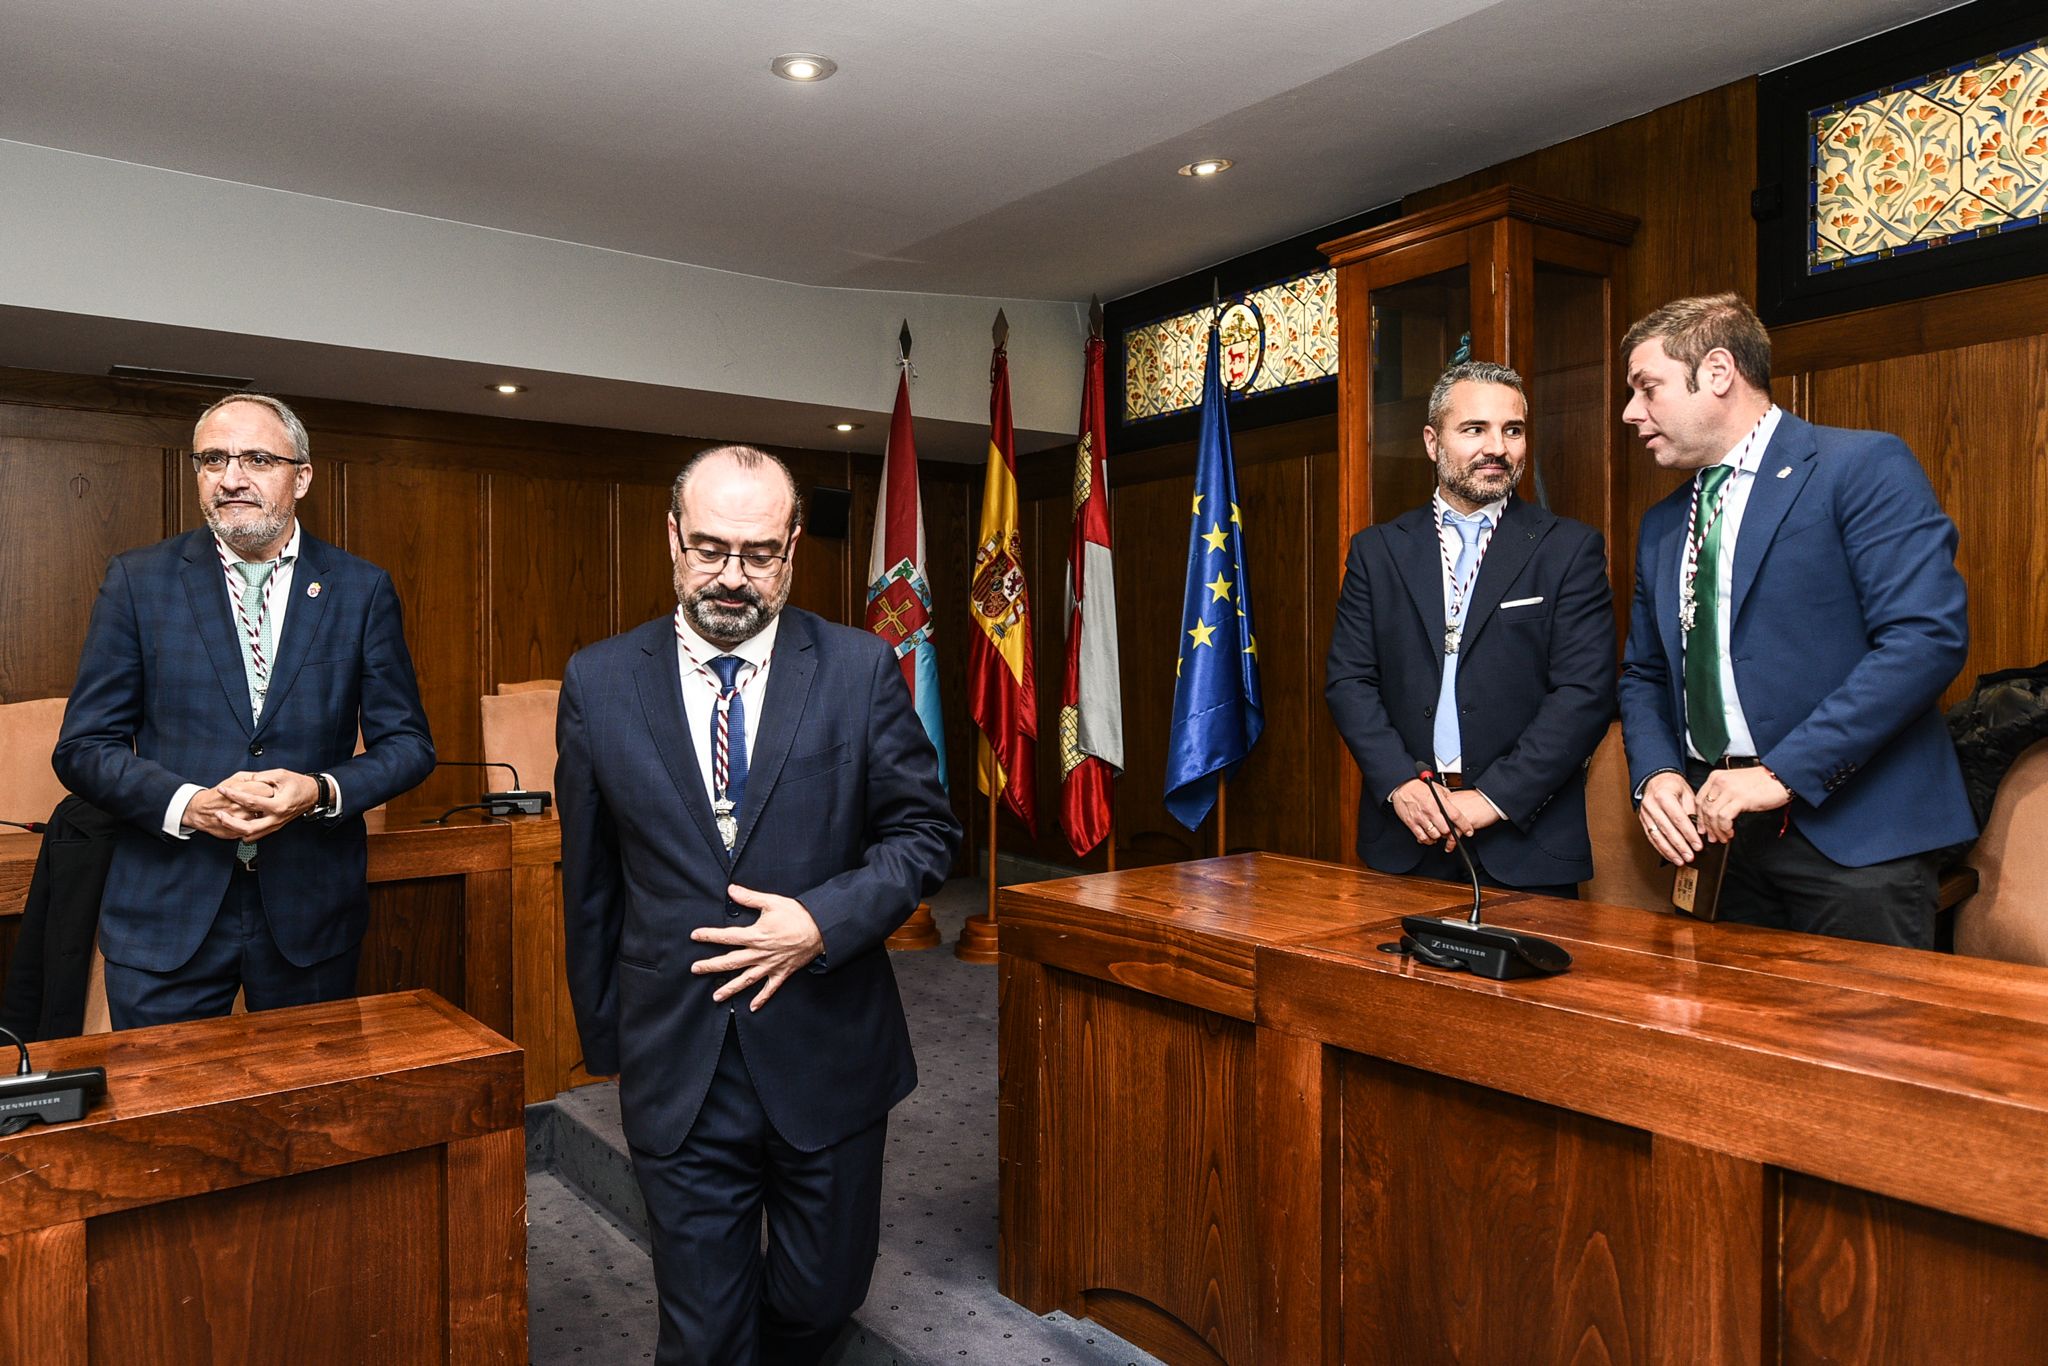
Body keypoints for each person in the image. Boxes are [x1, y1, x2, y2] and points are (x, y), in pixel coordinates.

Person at [557, 444, 959, 1366]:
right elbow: (590, 882)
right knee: (701, 1335)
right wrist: (609, 1039)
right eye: (707, 549)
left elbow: (926, 837)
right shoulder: (600, 681)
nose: (730, 578)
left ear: (792, 549)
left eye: (757, 553)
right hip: (678, 1056)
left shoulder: (859, 670)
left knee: (822, 1300)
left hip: (827, 1052)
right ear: (671, 538)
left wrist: (824, 920)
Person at [52, 393, 434, 1028]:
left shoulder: (359, 590)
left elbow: (409, 746)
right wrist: (189, 805)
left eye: (257, 458)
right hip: (166, 910)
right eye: (213, 460)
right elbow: (84, 747)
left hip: (310, 913)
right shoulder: (138, 582)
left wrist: (319, 789)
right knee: (166, 1118)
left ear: (302, 476)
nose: (231, 479)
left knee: (306, 1115)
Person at [1616, 292, 1974, 947]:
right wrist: (1657, 774)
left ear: (1718, 373)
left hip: (1855, 840)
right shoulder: (1663, 524)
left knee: (1860, 1051)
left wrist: (1781, 773)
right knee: (1727, 1045)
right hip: (1717, 841)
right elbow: (1642, 671)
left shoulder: (1860, 468)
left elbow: (1925, 639)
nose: (1631, 411)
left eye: (1648, 387)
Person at [1326, 361, 1615, 897]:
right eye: (1474, 429)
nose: (1498, 448)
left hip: (1528, 844)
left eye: (1512, 430)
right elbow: (1350, 680)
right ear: (1433, 442)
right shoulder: (1377, 551)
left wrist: (1492, 798)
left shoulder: (1569, 550)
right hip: (1408, 835)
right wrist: (1399, 786)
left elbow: (1585, 694)